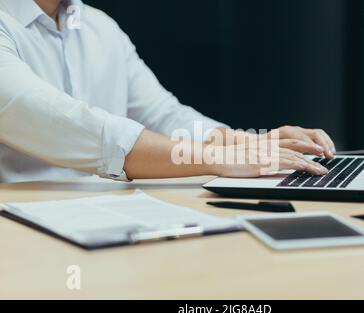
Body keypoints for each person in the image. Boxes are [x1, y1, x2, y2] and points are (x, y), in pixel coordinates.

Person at [0, 0, 335, 183]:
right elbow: (75, 127)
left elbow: (165, 116)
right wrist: (220, 158)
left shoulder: (99, 26)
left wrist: (250, 142)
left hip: (108, 219)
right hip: (25, 240)